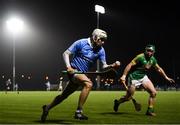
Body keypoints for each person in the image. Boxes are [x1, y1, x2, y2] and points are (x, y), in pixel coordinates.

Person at [41, 28, 120, 122]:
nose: (103, 42)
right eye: (101, 39)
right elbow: (66, 53)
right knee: (89, 84)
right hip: (74, 72)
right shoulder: (81, 43)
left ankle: (47, 108)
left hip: (82, 75)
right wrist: (68, 67)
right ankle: (78, 112)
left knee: (63, 96)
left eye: (104, 40)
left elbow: (104, 67)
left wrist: (112, 65)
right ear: (95, 37)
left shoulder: (101, 50)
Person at [113, 44, 175, 116]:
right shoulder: (140, 57)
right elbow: (129, 65)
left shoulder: (153, 59)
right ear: (145, 51)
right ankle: (117, 102)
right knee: (128, 97)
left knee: (153, 93)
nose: (149, 52)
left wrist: (166, 77)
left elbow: (159, 69)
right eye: (148, 51)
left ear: (153, 52)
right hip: (133, 78)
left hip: (143, 77)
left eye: (151, 51)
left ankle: (149, 110)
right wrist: (124, 76)